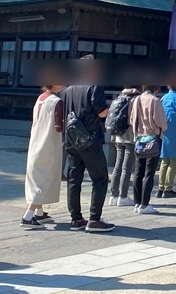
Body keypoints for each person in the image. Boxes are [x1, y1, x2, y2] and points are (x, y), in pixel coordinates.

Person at [61, 79, 115, 233]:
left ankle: (76, 218)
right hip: (89, 138)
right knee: (100, 178)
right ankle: (94, 218)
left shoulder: (69, 88)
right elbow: (101, 112)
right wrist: (111, 110)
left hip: (71, 138)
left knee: (74, 179)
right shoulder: (94, 86)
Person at [21, 84, 64, 227]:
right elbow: (59, 126)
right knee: (44, 179)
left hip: (36, 141)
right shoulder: (56, 101)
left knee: (36, 176)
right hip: (49, 143)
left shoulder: (40, 98)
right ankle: (28, 215)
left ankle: (39, 213)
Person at [129, 86, 167, 213]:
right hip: (152, 138)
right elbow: (161, 122)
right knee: (149, 173)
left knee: (138, 171)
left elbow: (131, 120)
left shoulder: (137, 99)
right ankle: (145, 204)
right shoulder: (155, 101)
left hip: (140, 139)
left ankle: (137, 203)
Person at [108, 87, 140, 208]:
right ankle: (123, 196)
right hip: (129, 135)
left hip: (117, 135)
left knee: (117, 166)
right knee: (126, 168)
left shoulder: (118, 98)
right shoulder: (135, 99)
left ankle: (113, 196)